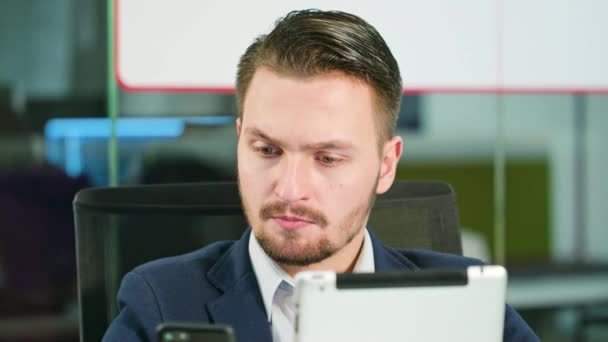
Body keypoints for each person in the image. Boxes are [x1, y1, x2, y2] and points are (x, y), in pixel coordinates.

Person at [103, 9, 538, 341]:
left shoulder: (465, 306)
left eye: (328, 158)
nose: (289, 189)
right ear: (240, 142)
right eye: (267, 149)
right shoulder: (159, 302)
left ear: (386, 165)